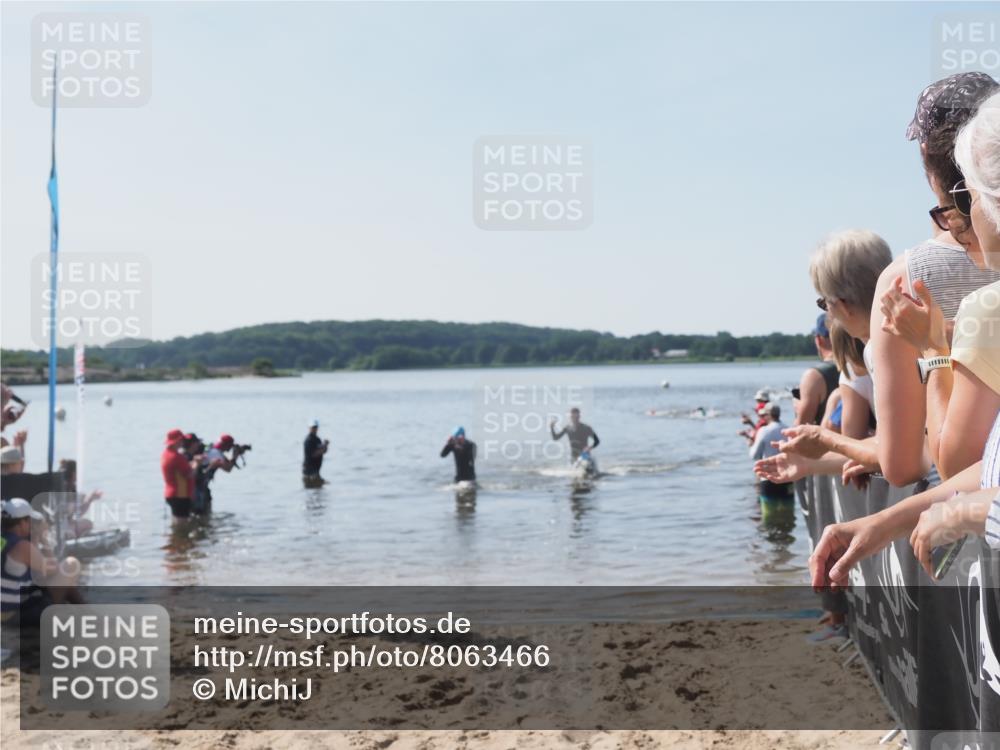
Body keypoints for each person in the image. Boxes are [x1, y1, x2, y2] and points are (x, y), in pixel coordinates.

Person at [866, 71, 1000, 486]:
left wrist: (935, 351)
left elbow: (905, 465)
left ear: (927, 158)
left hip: (964, 530)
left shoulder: (904, 282)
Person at [1, 498, 82, 627]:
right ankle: (85, 611)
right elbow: (53, 570)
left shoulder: (4, 540)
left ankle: (85, 609)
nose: (31, 524)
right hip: (12, 616)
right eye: (29, 521)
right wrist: (43, 538)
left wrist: (34, 538)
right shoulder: (22, 546)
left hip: (8, 608)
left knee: (56, 586)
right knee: (71, 565)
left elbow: (34, 572)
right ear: (22, 522)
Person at [792, 314, 839, 427]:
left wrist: (798, 409)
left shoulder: (814, 375)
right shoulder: (860, 366)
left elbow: (800, 429)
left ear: (818, 340)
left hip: (826, 443)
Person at [161, 428, 195, 519]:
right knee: (182, 526)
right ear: (176, 441)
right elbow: (189, 474)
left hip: (171, 493)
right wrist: (197, 464)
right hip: (180, 495)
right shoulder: (177, 457)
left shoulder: (165, 454)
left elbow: (178, 471)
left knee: (177, 524)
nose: (182, 442)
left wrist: (190, 465)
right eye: (181, 440)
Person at [303, 419, 329, 485]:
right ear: (309, 428)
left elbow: (324, 451)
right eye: (313, 427)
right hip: (309, 471)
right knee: (320, 486)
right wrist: (323, 448)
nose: (314, 429)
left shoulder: (317, 439)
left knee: (319, 489)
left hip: (316, 470)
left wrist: (325, 445)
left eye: (315, 427)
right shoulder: (308, 440)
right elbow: (314, 454)